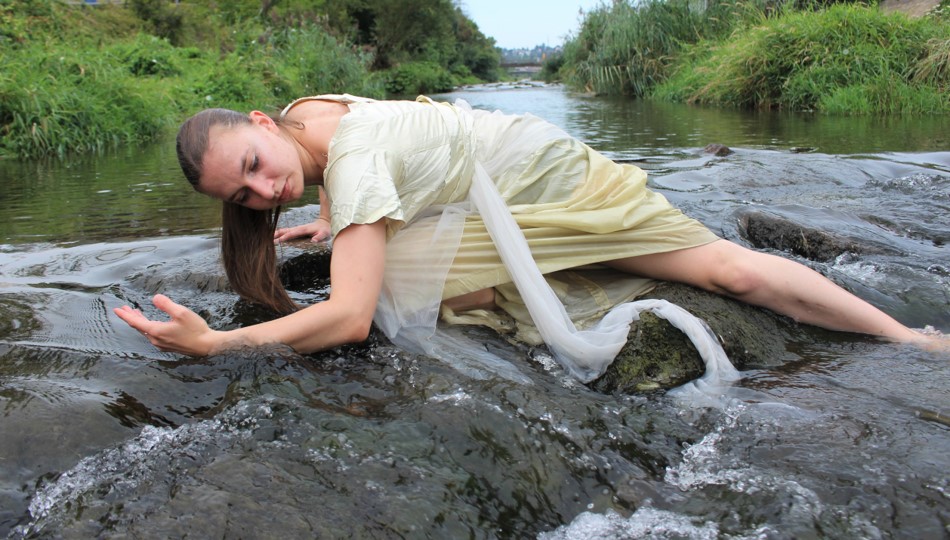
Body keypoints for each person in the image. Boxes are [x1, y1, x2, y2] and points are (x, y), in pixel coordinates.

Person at [113, 94, 941, 381]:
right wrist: (333, 220)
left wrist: (219, 345)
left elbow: (350, 318)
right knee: (396, 265)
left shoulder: (355, 162)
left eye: (255, 166)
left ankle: (908, 338)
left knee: (731, 274)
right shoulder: (308, 117)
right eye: (245, 196)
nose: (266, 192)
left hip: (554, 183)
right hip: (507, 168)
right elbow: (361, 150)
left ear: (262, 123)